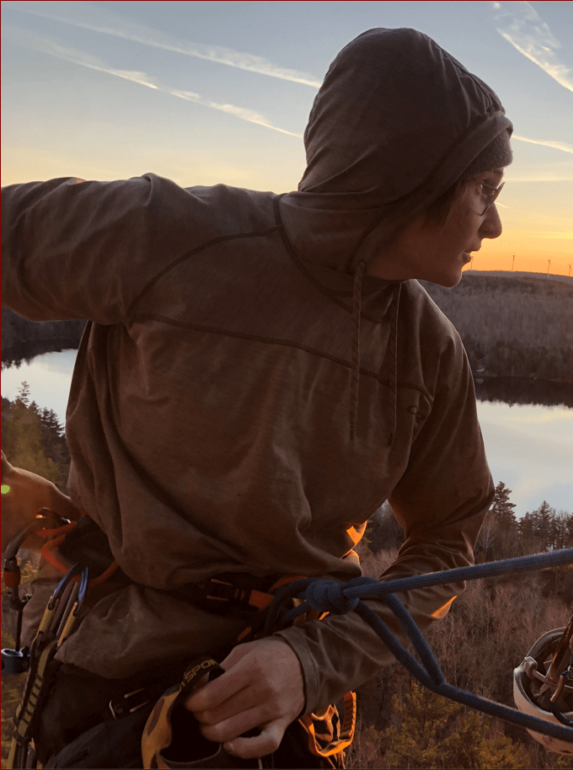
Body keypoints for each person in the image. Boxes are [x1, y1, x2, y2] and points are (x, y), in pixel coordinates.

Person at [1, 27, 511, 768]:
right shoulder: (168, 235)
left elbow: (449, 535)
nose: (494, 224)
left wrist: (312, 663)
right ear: (413, 177)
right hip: (110, 689)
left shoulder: (427, 347)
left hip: (286, 720)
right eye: (484, 190)